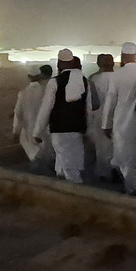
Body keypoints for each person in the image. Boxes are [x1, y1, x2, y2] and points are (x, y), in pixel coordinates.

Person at [101, 42, 136, 195]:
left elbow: (110, 101)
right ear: (135, 56)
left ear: (122, 57)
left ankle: (134, 189)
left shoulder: (117, 75)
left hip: (122, 123)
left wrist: (106, 124)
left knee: (124, 158)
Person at [31, 50, 90, 183]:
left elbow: (46, 108)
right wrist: (88, 129)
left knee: (68, 165)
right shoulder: (84, 81)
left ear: (59, 63)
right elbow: (89, 108)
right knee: (71, 160)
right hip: (78, 128)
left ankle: (74, 190)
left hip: (59, 129)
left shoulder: (55, 82)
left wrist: (37, 132)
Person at [13, 65, 54, 172]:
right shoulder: (47, 91)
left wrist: (15, 131)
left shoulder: (23, 93)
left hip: (29, 131)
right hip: (46, 129)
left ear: (29, 76)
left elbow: (18, 114)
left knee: (35, 155)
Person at [87, 54, 115, 181]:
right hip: (116, 117)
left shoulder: (93, 79)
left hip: (98, 117)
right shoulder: (118, 77)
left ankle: (104, 174)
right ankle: (115, 172)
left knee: (101, 148)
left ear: (98, 64)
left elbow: (89, 103)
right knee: (115, 146)